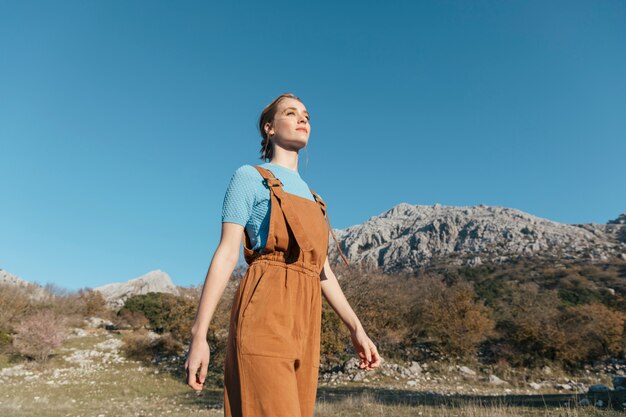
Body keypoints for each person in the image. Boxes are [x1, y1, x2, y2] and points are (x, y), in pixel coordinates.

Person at [184, 92, 381, 416]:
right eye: (291, 113)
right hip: (265, 308)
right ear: (269, 128)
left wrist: (356, 328)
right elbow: (226, 252)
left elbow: (322, 272)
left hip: (307, 322)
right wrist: (199, 334)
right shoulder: (249, 177)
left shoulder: (316, 199)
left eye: (306, 115)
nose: (303, 119)